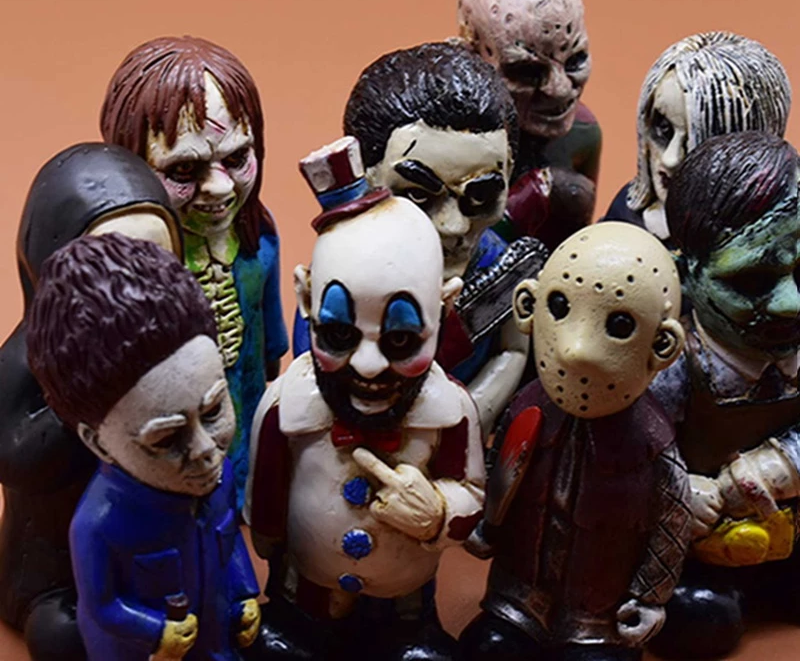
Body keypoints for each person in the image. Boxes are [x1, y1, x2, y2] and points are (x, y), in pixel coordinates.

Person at [246, 138, 484, 660]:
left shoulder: (450, 412)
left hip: (401, 603)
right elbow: (264, 506)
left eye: (400, 339)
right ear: (305, 298)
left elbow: (473, 498)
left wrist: (439, 512)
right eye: (339, 334)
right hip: (305, 594)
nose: (369, 365)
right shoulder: (286, 407)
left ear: (444, 308)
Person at [461, 222, 690, 661]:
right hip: (518, 597)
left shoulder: (653, 443)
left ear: (662, 345)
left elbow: (672, 520)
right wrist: (486, 524)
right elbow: (500, 468)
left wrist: (650, 597)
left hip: (598, 616)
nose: (577, 349)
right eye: (559, 306)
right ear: (527, 308)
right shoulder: (526, 407)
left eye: (619, 325)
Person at [27, 233, 261, 661]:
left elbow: (229, 544)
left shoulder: (220, 477)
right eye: (167, 439)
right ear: (98, 442)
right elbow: (103, 604)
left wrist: (245, 592)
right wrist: (153, 632)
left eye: (213, 410)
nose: (205, 450)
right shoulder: (98, 525)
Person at [0, 143, 183, 661]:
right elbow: (12, 457)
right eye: (109, 266)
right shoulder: (26, 358)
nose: (134, 286)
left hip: (141, 541)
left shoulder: (168, 341)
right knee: (61, 634)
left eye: (154, 262)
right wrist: (79, 399)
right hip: (55, 563)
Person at [100, 35, 288, 508]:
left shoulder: (259, 237)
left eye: (237, 159)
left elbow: (270, 336)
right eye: (184, 171)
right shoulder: (135, 266)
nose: (219, 187)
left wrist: (272, 360)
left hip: (246, 405)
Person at [342, 41, 548, 434]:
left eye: (481, 196)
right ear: (365, 179)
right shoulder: (346, 265)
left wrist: (462, 421)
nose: (452, 226)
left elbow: (512, 351)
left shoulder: (504, 269)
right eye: (418, 196)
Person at [649, 133, 800, 658]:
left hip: (787, 532)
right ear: (686, 272)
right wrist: (677, 492)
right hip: (700, 549)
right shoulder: (673, 366)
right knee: (702, 620)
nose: (791, 303)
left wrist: (785, 462)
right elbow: (630, 454)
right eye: (752, 281)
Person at [458, 0, 601, 249]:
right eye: (527, 71)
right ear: (472, 59)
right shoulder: (455, 140)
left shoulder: (583, 133)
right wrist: (525, 203)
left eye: (575, 60)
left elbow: (576, 247)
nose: (559, 90)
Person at [604, 31, 790, 243]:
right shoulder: (626, 218)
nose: (671, 159)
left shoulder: (775, 238)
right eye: (663, 129)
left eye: (700, 141)